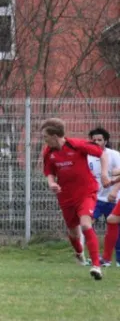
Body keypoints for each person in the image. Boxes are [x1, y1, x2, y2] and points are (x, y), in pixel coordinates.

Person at [41, 118, 109, 280]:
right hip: (66, 197)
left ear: (55, 135)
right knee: (73, 231)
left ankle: (96, 267)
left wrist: (105, 174)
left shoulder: (76, 145)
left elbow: (102, 154)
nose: (44, 140)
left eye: (45, 136)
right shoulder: (48, 152)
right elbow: (49, 172)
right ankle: (79, 252)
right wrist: (51, 183)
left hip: (86, 193)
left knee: (86, 224)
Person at [86, 128, 120, 266]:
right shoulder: (87, 156)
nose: (96, 142)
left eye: (99, 140)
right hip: (96, 198)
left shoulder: (114, 155)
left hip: (114, 198)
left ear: (106, 141)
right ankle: (99, 257)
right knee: (87, 223)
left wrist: (114, 191)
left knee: (114, 223)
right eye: (94, 140)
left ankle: (115, 258)